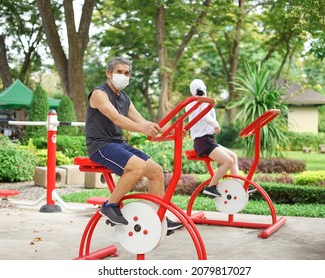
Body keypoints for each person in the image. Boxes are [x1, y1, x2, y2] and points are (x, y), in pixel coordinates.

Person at [85, 57, 182, 231]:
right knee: (137, 166)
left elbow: (143, 121)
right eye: (119, 72)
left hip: (118, 144)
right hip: (100, 146)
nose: (123, 76)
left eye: (127, 73)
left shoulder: (125, 99)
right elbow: (116, 118)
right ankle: (109, 206)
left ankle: (157, 217)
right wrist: (143, 130)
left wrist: (169, 129)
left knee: (156, 171)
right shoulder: (99, 93)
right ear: (109, 73)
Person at [185, 79, 240, 197]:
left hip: (206, 140)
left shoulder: (193, 103)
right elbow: (205, 116)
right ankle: (211, 186)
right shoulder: (202, 102)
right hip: (204, 141)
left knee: (234, 156)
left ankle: (238, 187)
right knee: (228, 161)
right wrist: (216, 125)